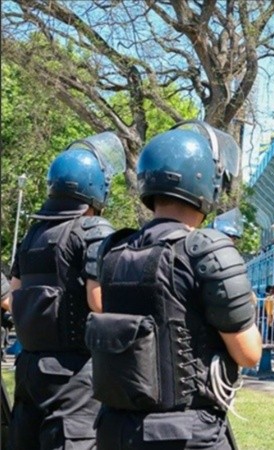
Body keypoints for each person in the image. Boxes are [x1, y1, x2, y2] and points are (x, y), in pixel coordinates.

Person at [86, 120, 262, 449]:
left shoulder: (113, 250)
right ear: (205, 181)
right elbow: (249, 353)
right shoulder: (208, 250)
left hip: (116, 431)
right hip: (186, 434)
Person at [7, 133, 122, 450]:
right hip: (73, 375)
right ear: (95, 189)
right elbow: (99, 303)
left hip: (28, 369)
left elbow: (13, 297)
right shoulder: (93, 229)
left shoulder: (32, 235)